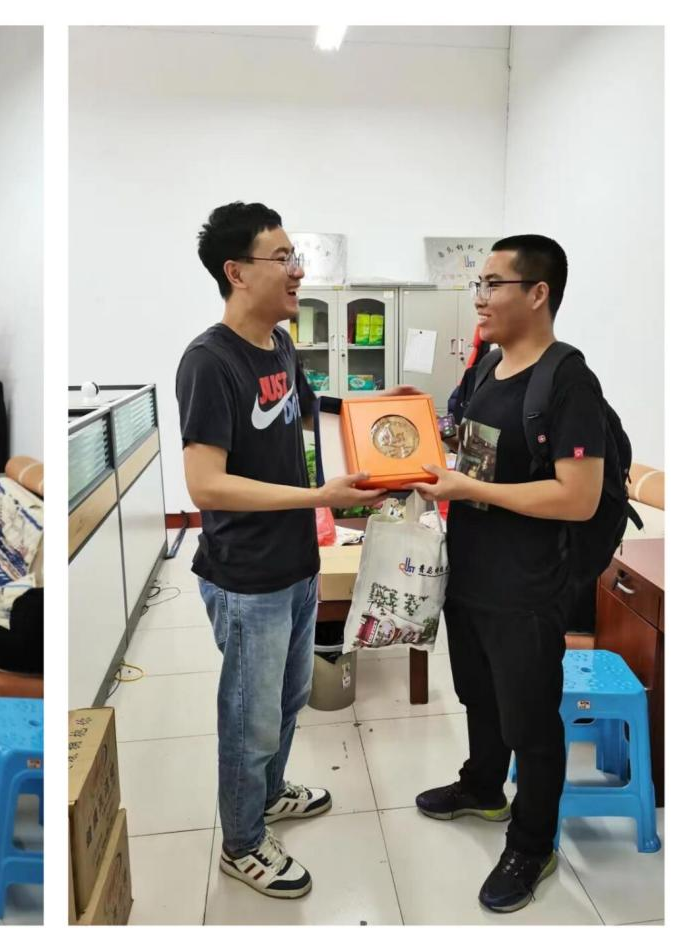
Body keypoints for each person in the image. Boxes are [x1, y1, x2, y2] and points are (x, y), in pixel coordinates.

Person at [177, 202, 414, 899]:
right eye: (281, 258)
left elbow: (307, 404)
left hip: (295, 564)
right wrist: (316, 496)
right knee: (247, 721)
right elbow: (204, 484)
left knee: (286, 702)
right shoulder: (209, 362)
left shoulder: (278, 344)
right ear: (236, 272)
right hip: (246, 577)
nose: (296, 271)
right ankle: (242, 844)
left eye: (294, 256)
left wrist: (377, 404)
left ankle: (271, 793)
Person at [406, 235, 606, 913]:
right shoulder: (487, 366)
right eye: (479, 284)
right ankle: (482, 787)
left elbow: (577, 497)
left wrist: (471, 491)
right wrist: (412, 426)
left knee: (530, 721)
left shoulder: (566, 380)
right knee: (478, 695)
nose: (480, 298)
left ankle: (531, 843)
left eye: (493, 283)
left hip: (527, 584)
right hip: (469, 571)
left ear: (538, 293)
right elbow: (468, 446)